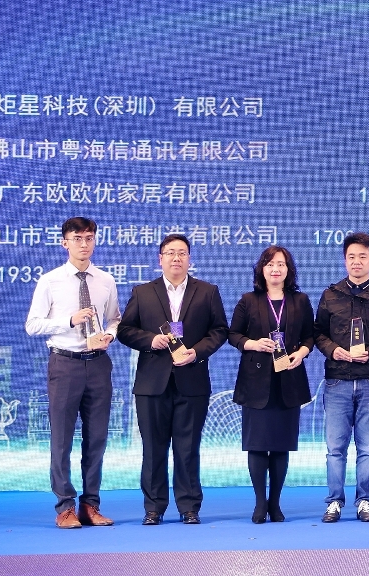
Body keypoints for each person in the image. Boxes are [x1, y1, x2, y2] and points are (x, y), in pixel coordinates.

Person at [117, 233, 228, 525]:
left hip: (192, 380)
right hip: (152, 383)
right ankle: (153, 508)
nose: (176, 258)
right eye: (170, 253)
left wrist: (197, 352)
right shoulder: (143, 292)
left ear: (189, 259)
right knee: (153, 449)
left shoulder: (207, 291)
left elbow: (219, 331)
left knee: (187, 448)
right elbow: (125, 330)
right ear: (160, 259)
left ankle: (189, 506)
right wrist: (150, 340)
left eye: (182, 253)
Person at [24, 216, 120, 529]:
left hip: (98, 363)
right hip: (64, 363)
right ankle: (65, 506)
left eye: (89, 238)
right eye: (77, 238)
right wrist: (69, 320)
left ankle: (91, 505)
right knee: (61, 439)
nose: (84, 244)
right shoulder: (50, 280)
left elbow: (115, 318)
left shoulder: (105, 280)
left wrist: (110, 335)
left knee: (97, 438)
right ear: (64, 242)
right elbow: (32, 325)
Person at [314, 231, 369, 523]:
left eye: (363, 256)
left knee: (368, 449)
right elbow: (318, 333)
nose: (356, 262)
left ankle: (364, 501)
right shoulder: (330, 295)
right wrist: (333, 350)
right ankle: (334, 502)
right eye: (351, 257)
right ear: (345, 260)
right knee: (335, 449)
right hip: (337, 380)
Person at [228, 246, 314, 523]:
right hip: (256, 382)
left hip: (288, 379)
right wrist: (253, 344)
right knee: (256, 445)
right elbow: (233, 334)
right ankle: (259, 503)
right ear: (261, 269)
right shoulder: (248, 300)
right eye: (270, 264)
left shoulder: (300, 300)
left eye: (281, 264)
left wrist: (301, 353)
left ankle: (275, 503)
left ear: (289, 270)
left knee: (280, 445)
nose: (275, 269)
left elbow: (310, 336)